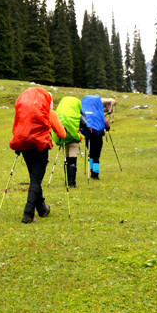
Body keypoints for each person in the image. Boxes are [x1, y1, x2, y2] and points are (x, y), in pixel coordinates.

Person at [9, 87, 66, 223]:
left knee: (34, 178)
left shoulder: (24, 113)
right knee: (36, 180)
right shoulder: (49, 112)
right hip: (41, 147)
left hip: (25, 147)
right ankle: (28, 214)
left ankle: (42, 209)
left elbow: (17, 127)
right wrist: (64, 131)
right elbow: (61, 134)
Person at [54, 96, 84, 187]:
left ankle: (66, 181)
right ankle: (72, 182)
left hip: (63, 138)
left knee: (66, 159)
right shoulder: (76, 114)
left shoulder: (60, 114)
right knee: (73, 160)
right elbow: (84, 124)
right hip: (74, 139)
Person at [80, 94, 110, 180]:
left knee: (91, 154)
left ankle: (92, 169)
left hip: (88, 136)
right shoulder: (99, 113)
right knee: (96, 155)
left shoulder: (85, 113)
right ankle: (95, 173)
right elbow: (107, 126)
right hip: (98, 137)